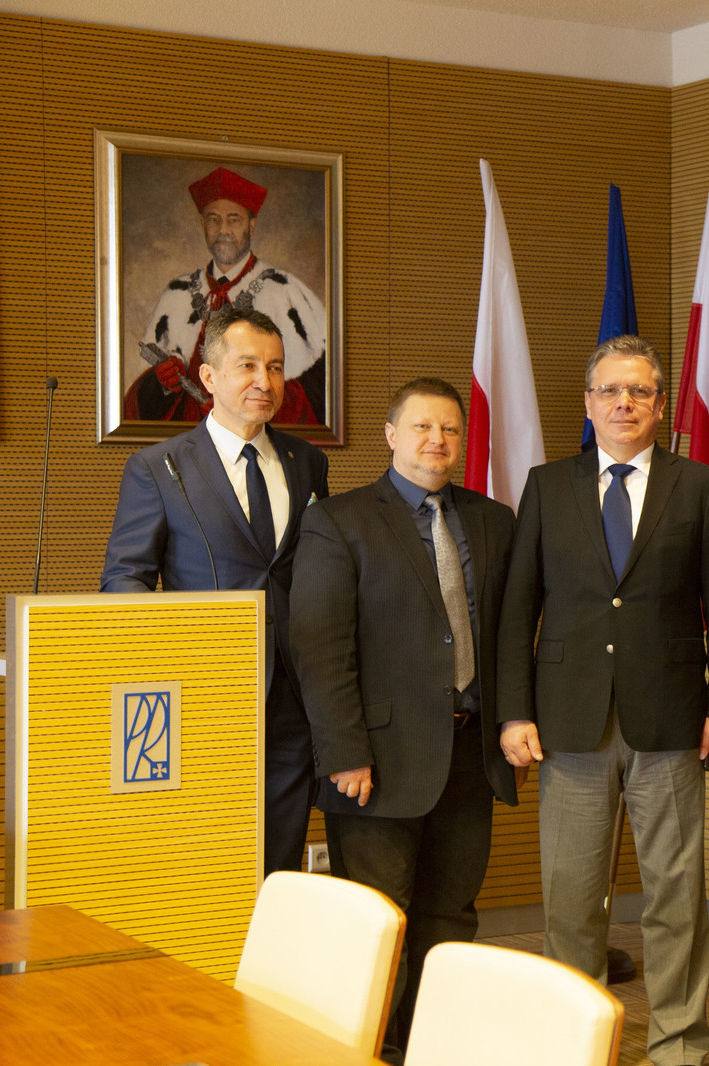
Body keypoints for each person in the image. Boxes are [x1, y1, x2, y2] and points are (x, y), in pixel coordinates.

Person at [501, 335, 709, 1066]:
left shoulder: (699, 485)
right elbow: (518, 607)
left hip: (670, 719)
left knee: (676, 897)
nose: (624, 403)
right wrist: (514, 711)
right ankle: (575, 1047)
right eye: (610, 390)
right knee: (571, 901)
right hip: (567, 722)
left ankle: (679, 1048)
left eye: (639, 391)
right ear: (588, 403)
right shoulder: (548, 485)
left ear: (661, 405)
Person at [288, 377, 524, 1048]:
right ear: (391, 434)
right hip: (377, 763)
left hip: (470, 756)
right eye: (422, 426)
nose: (436, 440)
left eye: (449, 429)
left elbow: (508, 633)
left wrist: (511, 719)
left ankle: (433, 1044)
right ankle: (374, 1050)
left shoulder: (493, 520)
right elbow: (320, 648)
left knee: (452, 916)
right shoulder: (339, 521)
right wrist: (344, 753)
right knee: (379, 923)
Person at [102, 305, 328, 876]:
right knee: (204, 866)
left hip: (293, 703)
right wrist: (164, 660)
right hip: (203, 696)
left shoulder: (308, 463)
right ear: (208, 377)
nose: (265, 382)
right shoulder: (159, 466)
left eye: (275, 367)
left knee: (278, 865)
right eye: (247, 365)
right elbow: (126, 577)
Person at [125, 165, 326, 425]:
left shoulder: (284, 291)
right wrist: (161, 384)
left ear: (251, 226)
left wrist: (240, 404)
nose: (223, 230)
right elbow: (141, 408)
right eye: (213, 220)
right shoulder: (177, 294)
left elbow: (315, 399)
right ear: (202, 225)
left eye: (234, 220)